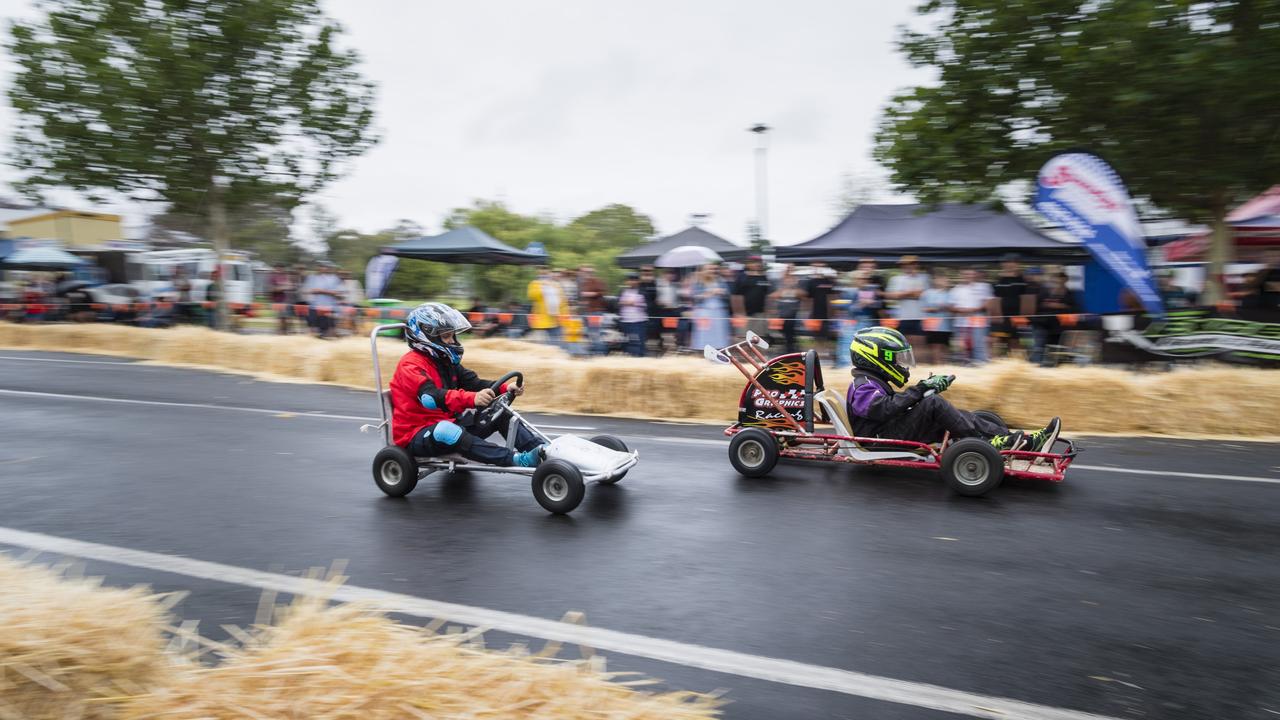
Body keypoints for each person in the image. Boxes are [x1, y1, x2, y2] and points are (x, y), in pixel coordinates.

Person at [845, 326, 1061, 451]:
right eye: (897, 359)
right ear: (876, 358)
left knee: (957, 415)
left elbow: (892, 408)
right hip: (877, 441)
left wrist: (923, 390)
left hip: (887, 431)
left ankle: (1018, 440)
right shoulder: (863, 385)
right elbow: (882, 409)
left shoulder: (870, 381)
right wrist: (921, 390)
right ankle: (990, 444)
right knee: (932, 404)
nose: (901, 365)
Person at [390, 302, 545, 467]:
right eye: (446, 336)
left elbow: (475, 383)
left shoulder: (444, 361)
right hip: (415, 434)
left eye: (452, 336)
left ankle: (542, 451)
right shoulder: (410, 365)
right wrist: (473, 399)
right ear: (427, 336)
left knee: (499, 412)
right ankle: (517, 460)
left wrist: (505, 388)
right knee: (446, 430)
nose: (452, 341)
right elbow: (430, 397)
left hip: (447, 422)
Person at [885, 255, 929, 350]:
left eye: (910, 264)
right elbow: (893, 296)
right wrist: (911, 292)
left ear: (916, 265)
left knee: (919, 344)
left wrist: (902, 293)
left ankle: (918, 364)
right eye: (904, 264)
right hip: (901, 317)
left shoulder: (924, 278)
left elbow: (921, 294)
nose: (907, 266)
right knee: (902, 344)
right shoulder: (896, 279)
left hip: (920, 316)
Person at [950, 268, 994, 364]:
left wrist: (974, 310)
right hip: (960, 323)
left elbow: (989, 303)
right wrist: (960, 310)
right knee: (962, 347)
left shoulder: (984, 286)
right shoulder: (956, 289)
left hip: (978, 322)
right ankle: (964, 366)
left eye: (971, 274)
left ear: (975, 275)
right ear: (961, 275)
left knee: (979, 346)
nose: (968, 276)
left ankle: (981, 365)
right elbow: (951, 306)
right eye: (965, 274)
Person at [991, 257, 1030, 358]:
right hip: (1002, 318)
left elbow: (1026, 299)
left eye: (1013, 262)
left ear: (1017, 264)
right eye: (1007, 262)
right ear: (1003, 265)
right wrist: (998, 316)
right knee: (998, 340)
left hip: (1018, 318)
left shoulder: (1023, 280)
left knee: (1015, 342)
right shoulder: (998, 281)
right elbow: (996, 299)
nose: (1010, 265)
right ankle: (996, 364)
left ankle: (1016, 363)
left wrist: (1023, 317)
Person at [690, 264, 730, 350]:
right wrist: (711, 292)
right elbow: (695, 297)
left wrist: (722, 292)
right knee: (704, 332)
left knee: (719, 332)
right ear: (704, 271)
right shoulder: (698, 282)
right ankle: (704, 350)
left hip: (719, 311)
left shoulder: (720, 281)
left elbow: (727, 294)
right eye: (709, 269)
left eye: (714, 269)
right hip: (704, 311)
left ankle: (719, 349)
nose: (712, 271)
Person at [732, 255, 772, 339]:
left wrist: (767, 311)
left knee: (758, 338)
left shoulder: (764, 277)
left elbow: (767, 295)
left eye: (759, 262)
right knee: (744, 338)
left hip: (760, 314)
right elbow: (735, 296)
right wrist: (739, 313)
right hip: (744, 314)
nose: (757, 264)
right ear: (748, 264)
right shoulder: (741, 276)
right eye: (753, 262)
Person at [919, 269, 954, 365]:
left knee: (944, 346)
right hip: (932, 325)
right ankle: (936, 365)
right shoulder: (927, 293)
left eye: (945, 279)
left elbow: (952, 308)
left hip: (946, 326)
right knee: (934, 346)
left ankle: (943, 365)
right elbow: (923, 308)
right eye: (941, 279)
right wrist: (936, 308)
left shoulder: (950, 293)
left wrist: (946, 307)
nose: (944, 281)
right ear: (935, 280)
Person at [526, 266, 563, 347]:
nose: (544, 274)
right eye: (542, 272)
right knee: (540, 342)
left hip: (555, 318)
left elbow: (562, 300)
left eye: (546, 272)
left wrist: (564, 313)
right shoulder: (534, 283)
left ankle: (555, 354)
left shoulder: (556, 285)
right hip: (541, 318)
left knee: (556, 341)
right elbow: (532, 296)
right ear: (538, 273)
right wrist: (543, 288)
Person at [770, 268, 805, 354]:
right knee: (785, 333)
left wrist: (789, 291)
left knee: (791, 334)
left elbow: (802, 294)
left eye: (791, 278)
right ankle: (788, 349)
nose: (789, 281)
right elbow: (774, 295)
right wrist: (786, 290)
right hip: (781, 314)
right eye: (787, 278)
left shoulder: (798, 286)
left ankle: (791, 350)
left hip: (793, 314)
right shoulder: (778, 285)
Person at [804, 262, 837, 346]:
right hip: (815, 315)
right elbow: (808, 299)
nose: (818, 268)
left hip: (827, 315)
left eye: (820, 266)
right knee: (816, 337)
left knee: (826, 337)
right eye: (816, 266)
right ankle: (818, 354)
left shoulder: (828, 281)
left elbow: (833, 297)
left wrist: (833, 313)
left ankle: (825, 354)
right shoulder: (810, 282)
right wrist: (809, 314)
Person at [578, 265, 608, 355]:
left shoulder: (598, 281)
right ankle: (592, 353)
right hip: (586, 311)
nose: (585, 274)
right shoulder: (584, 283)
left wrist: (591, 294)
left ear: (592, 273)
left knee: (596, 334)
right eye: (584, 272)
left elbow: (602, 293)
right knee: (589, 333)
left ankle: (600, 354)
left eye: (588, 272)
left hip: (596, 311)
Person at [618, 273, 648, 357]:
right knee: (626, 342)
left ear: (638, 281)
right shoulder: (622, 291)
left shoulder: (642, 291)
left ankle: (640, 359)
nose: (632, 282)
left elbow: (646, 305)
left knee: (638, 342)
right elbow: (617, 304)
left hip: (638, 322)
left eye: (634, 280)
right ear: (626, 282)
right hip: (625, 321)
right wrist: (626, 303)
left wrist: (634, 303)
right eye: (630, 280)